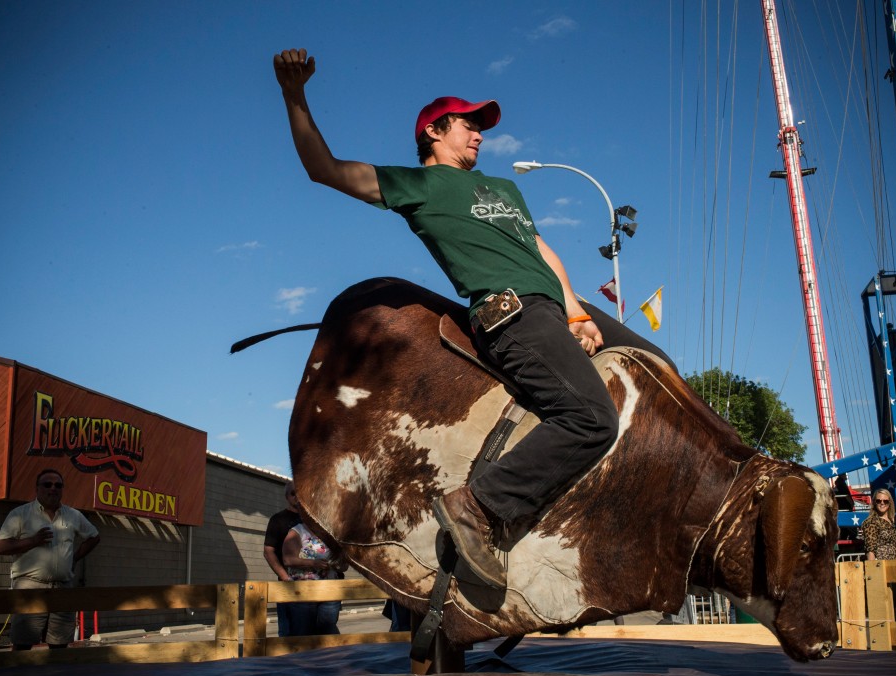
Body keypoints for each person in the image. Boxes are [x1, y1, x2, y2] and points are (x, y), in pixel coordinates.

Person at [273, 48, 674, 589]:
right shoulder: (417, 186)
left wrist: (578, 312)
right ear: (434, 133)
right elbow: (324, 169)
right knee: (590, 417)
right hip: (510, 314)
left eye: (481, 126)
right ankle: (478, 509)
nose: (480, 134)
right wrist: (294, 95)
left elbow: (541, 250)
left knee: (657, 364)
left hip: (556, 306)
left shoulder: (504, 189)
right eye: (469, 124)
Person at [0, 469, 100, 650]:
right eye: (47, 484)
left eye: (58, 485)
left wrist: (74, 558)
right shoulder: (20, 514)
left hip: (62, 587)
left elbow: (94, 537)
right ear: (37, 488)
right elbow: (0, 547)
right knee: (23, 645)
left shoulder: (73, 515)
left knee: (60, 645)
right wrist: (33, 541)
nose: (53, 489)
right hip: (30, 586)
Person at [281, 521, 345, 636]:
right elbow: (288, 560)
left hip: (330, 591)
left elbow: (344, 566)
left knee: (328, 631)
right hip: (303, 591)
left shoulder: (334, 534)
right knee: (302, 632)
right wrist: (313, 563)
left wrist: (336, 564)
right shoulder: (298, 531)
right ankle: (303, 654)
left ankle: (328, 654)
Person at [861, 488, 896, 620]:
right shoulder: (871, 522)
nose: (882, 503)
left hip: (895, 567)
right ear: (874, 503)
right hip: (882, 568)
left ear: (890, 503)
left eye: (885, 501)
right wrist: (872, 573)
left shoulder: (891, 520)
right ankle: (885, 627)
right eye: (878, 501)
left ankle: (890, 634)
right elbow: (870, 549)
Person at [263, 481, 301, 637]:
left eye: (301, 492)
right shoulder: (278, 520)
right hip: (288, 584)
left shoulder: (314, 521)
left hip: (314, 584)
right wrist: (285, 577)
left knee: (317, 631)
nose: (297, 496)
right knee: (287, 631)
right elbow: (268, 551)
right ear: (287, 496)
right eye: (293, 493)